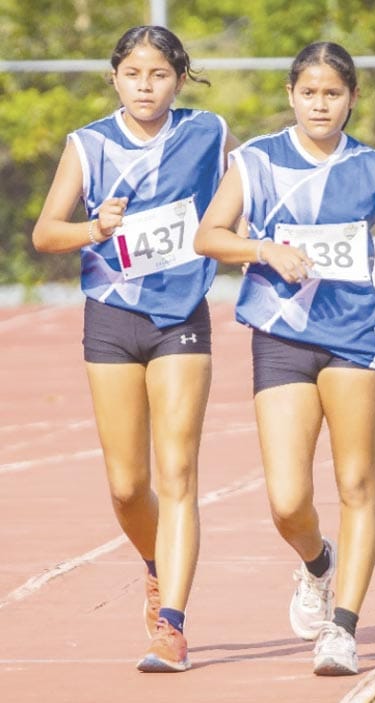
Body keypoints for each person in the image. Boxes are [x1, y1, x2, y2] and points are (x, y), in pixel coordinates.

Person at [194, 41, 375, 676]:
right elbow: (208, 236)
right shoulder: (256, 162)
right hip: (280, 335)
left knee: (357, 483)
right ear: (291, 95)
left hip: (357, 337)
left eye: (333, 93)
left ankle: (344, 628)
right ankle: (317, 564)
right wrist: (264, 251)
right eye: (309, 92)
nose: (320, 103)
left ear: (352, 98)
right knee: (286, 499)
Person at [32, 25, 238, 673]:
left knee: (178, 473)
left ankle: (171, 625)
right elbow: (45, 233)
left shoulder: (207, 132)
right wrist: (95, 226)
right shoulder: (89, 145)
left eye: (158, 75)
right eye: (133, 75)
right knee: (127, 487)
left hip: (181, 316)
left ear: (178, 79)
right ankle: (155, 563)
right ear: (114, 78)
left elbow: (249, 191)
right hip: (111, 318)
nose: (145, 86)